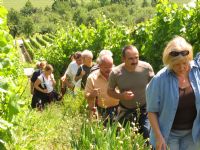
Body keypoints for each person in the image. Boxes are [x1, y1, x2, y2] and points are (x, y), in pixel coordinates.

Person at [146, 36, 200, 150]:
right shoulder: (159, 79)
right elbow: (151, 111)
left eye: (185, 63)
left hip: (193, 133)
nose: (181, 68)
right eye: (176, 64)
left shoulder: (197, 72)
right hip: (168, 134)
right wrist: (159, 137)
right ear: (169, 62)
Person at [107, 45, 154, 138]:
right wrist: (122, 96)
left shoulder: (146, 68)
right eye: (131, 59)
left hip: (144, 109)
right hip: (125, 110)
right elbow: (109, 91)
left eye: (137, 57)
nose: (135, 61)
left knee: (146, 133)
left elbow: (155, 85)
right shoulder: (116, 73)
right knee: (123, 137)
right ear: (123, 59)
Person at [85, 54, 119, 124]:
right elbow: (86, 95)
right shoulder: (92, 78)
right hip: (102, 110)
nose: (109, 69)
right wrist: (92, 94)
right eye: (106, 67)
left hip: (119, 108)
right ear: (99, 66)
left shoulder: (118, 75)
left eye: (111, 66)